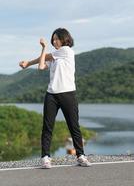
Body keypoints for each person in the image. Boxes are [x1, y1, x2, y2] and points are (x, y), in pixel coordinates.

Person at [19, 28, 91, 168]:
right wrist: (44, 49)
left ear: (65, 39)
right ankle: (46, 157)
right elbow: (41, 66)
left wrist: (28, 63)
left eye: (57, 38)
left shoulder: (66, 51)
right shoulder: (55, 56)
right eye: (53, 39)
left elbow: (46, 57)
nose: (54, 41)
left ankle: (80, 156)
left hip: (68, 94)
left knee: (74, 126)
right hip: (51, 94)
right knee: (47, 127)